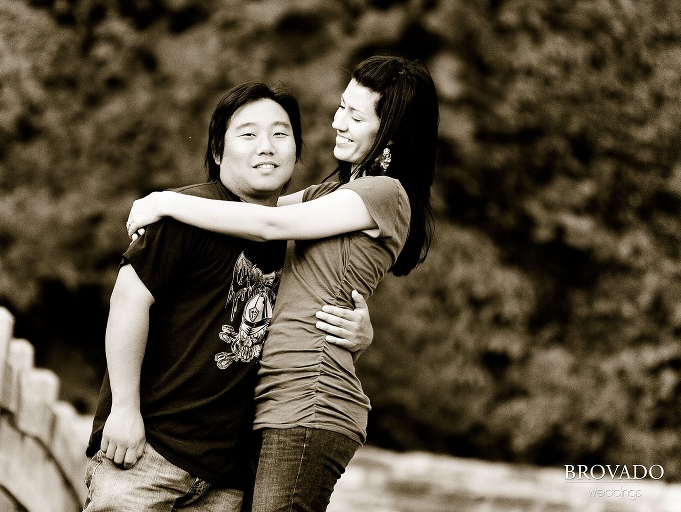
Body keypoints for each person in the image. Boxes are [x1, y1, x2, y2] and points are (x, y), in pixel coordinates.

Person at [126, 55, 439, 511]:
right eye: (340, 107)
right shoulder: (329, 194)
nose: (337, 122)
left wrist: (163, 203)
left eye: (354, 114)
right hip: (280, 401)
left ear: (388, 132)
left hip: (312, 402)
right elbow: (247, 203)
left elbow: (268, 226)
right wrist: (171, 212)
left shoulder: (384, 193)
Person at [84, 82, 373, 511]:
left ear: (297, 151)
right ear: (218, 152)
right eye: (248, 134)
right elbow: (128, 302)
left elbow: (308, 321)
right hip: (147, 454)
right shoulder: (183, 215)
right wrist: (124, 410)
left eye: (280, 134)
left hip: (229, 477)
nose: (267, 148)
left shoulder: (295, 235)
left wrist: (360, 332)